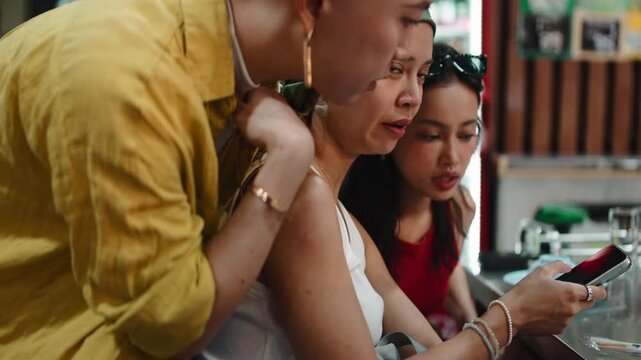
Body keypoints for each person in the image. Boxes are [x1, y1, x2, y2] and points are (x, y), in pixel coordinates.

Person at [0, 0, 434, 358]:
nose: (402, 48)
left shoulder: (238, 84)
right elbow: (172, 329)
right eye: (406, 19)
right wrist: (287, 161)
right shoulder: (132, 74)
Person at [204, 15, 606, 360]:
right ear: (330, 64)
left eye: (422, 74)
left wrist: (511, 321)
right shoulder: (305, 196)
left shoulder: (332, 203)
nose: (413, 98)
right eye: (394, 69)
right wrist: (510, 315)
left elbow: (428, 339)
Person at [341, 43, 484, 338]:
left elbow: (446, 266)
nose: (453, 158)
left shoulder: (460, 207)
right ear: (396, 128)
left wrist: (471, 317)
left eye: (467, 134)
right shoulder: (350, 222)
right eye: (431, 136)